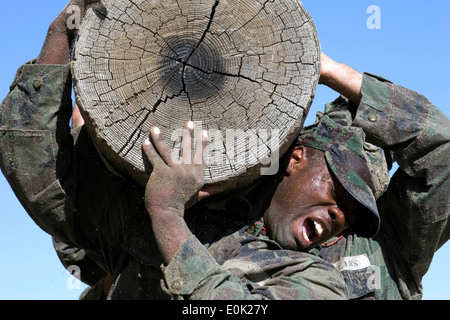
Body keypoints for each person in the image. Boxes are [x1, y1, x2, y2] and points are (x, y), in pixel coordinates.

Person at [1, 0, 448, 300]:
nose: (340, 216)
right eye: (340, 191)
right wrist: (65, 26)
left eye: (353, 213)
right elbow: (41, 174)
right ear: (294, 159)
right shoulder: (195, 219)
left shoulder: (366, 259)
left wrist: (168, 218)